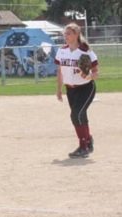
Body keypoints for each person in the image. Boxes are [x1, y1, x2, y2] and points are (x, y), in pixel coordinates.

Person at [55, 23, 99, 158]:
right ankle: (88, 140)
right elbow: (60, 71)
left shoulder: (85, 51)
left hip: (86, 88)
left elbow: (96, 73)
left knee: (76, 115)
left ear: (76, 34)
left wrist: (88, 75)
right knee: (80, 116)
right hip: (71, 90)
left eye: (68, 34)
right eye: (65, 34)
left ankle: (83, 146)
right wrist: (59, 89)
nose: (65, 36)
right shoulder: (62, 51)